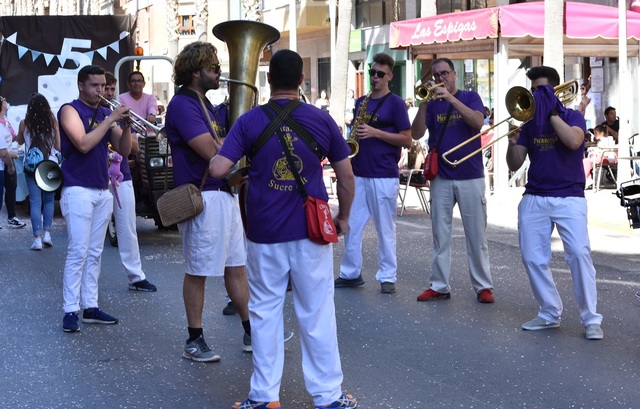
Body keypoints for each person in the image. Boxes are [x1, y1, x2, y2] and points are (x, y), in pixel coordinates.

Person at [209, 48, 357, 409]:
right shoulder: (321, 120)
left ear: (269, 80)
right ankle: (328, 398)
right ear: (302, 80)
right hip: (311, 230)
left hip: (264, 232)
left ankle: (263, 397)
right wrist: (344, 218)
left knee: (264, 311)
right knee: (317, 311)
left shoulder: (247, 121)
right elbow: (346, 176)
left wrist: (229, 157)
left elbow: (217, 170)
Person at [164, 41, 252, 363]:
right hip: (204, 198)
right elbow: (212, 152)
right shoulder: (183, 105)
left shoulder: (210, 106)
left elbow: (227, 147)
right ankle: (194, 339)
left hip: (224, 194)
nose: (218, 71)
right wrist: (238, 135)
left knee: (236, 268)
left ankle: (250, 331)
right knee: (198, 270)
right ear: (195, 70)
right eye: (213, 66)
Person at [506, 65, 603, 341]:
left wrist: (550, 113)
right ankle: (549, 312)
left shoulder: (572, 116)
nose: (536, 95)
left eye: (541, 90)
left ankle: (591, 319)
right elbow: (515, 163)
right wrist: (513, 143)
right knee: (532, 258)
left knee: (579, 255)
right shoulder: (527, 124)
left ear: (555, 92)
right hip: (535, 196)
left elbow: (574, 142)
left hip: (569, 197)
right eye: (533, 90)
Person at [411, 58, 494, 303]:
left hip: (470, 175)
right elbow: (416, 133)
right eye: (436, 75)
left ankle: (483, 287)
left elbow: (478, 123)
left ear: (454, 74)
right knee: (440, 234)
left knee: (476, 235)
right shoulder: (431, 103)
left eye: (444, 73)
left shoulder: (469, 97)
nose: (440, 79)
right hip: (442, 176)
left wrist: (450, 98)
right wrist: (424, 104)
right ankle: (439, 285)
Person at [58, 64, 133, 332]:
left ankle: (90, 306)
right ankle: (70, 309)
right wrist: (111, 118)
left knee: (95, 252)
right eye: (94, 86)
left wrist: (125, 127)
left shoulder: (104, 112)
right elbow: (83, 143)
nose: (100, 91)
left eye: (103, 86)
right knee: (78, 250)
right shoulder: (70, 110)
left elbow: (125, 151)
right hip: (78, 188)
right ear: (81, 86)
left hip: (103, 190)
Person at [335, 52, 412, 295]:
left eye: (380, 74)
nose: (374, 77)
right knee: (352, 226)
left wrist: (376, 132)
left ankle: (388, 276)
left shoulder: (396, 103)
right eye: (372, 73)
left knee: (385, 229)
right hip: (359, 172)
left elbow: (407, 140)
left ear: (390, 76)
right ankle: (350, 273)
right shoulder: (361, 102)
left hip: (383, 174)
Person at [103, 72, 157, 292]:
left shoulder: (117, 112)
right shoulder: (89, 113)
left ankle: (136, 277)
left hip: (121, 174)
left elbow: (132, 148)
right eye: (104, 88)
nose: (107, 93)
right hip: (96, 178)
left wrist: (123, 126)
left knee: (128, 228)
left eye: (110, 89)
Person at [15, 93, 60, 250]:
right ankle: (47, 233)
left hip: (32, 166)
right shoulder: (53, 121)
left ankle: (37, 239)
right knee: (49, 200)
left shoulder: (25, 123)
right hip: (50, 165)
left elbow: (20, 141)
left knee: (35, 202)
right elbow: (59, 146)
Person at [0, 96, 27, 228]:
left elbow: (15, 137)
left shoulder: (7, 121)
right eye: (4, 100)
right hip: (4, 158)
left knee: (12, 188)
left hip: (9, 158)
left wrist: (24, 131)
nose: (7, 102)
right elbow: (3, 150)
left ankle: (12, 217)